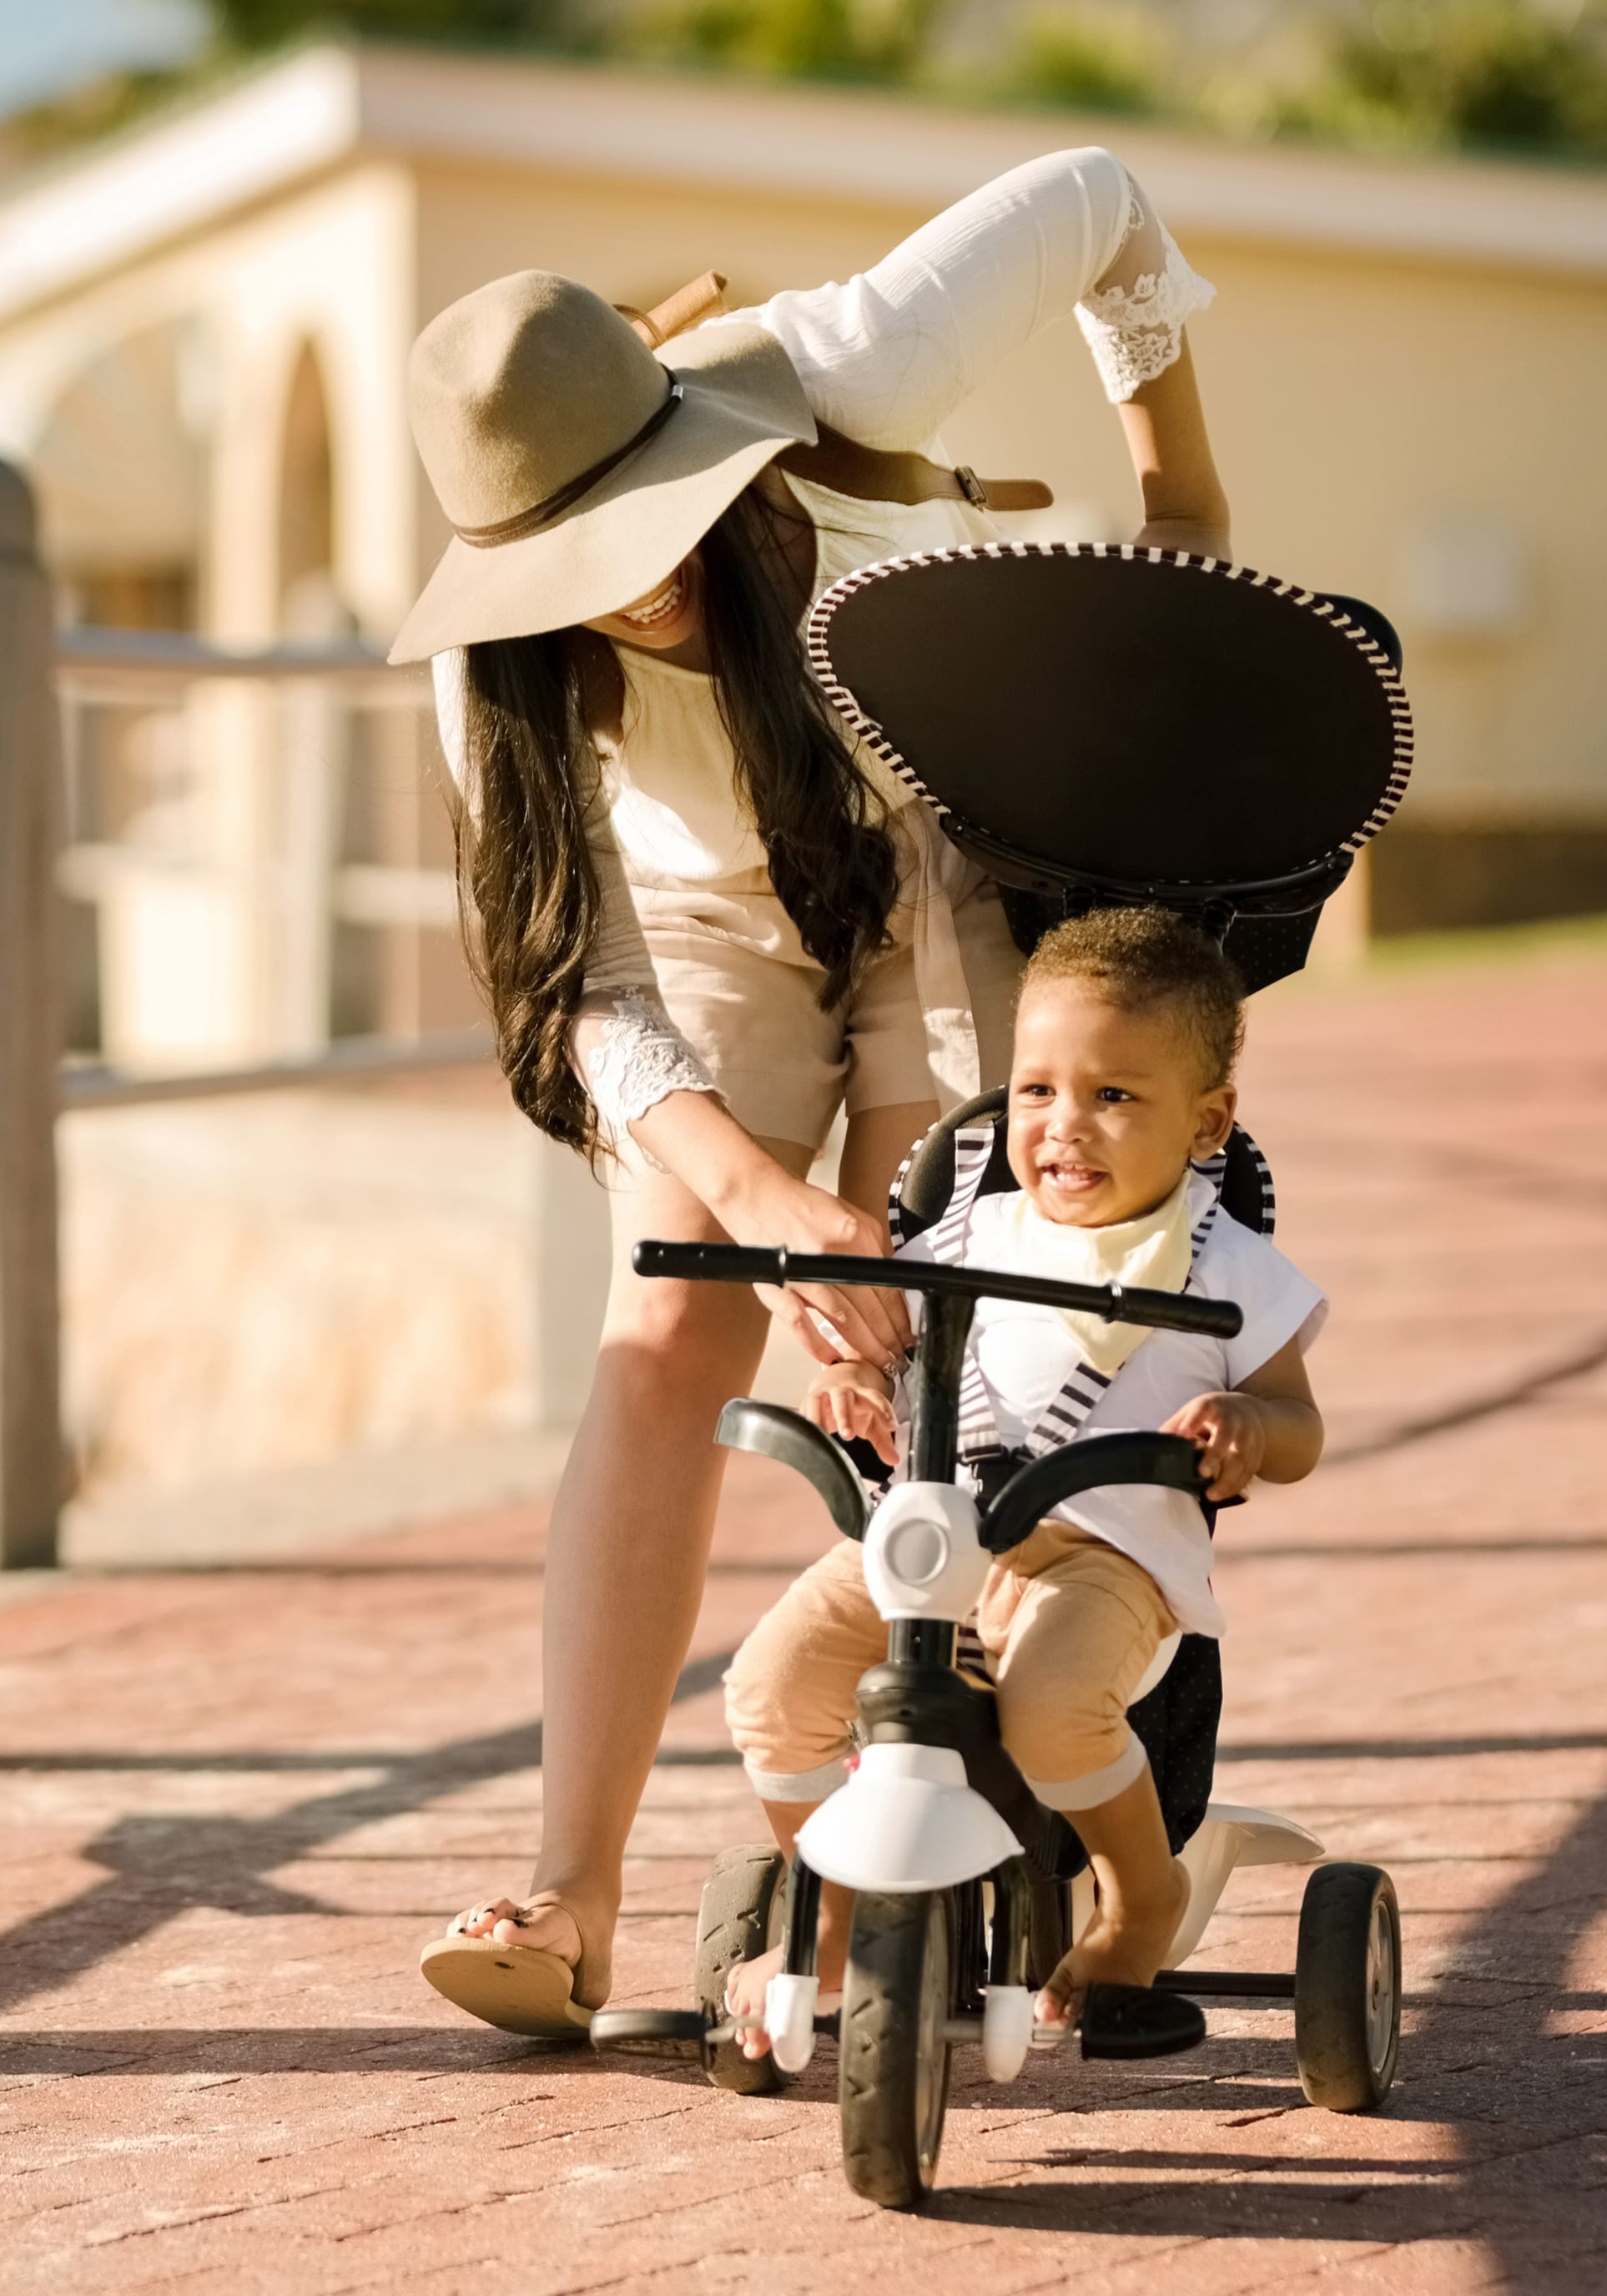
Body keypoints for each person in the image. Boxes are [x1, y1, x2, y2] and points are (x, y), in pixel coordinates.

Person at [403, 145, 1236, 2037]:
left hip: (941, 843)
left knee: (964, 1294)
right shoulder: (484, 679)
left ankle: (1020, 1753)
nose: (628, 598)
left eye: (646, 537)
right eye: (576, 573)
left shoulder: (845, 371)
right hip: (696, 921)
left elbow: (1103, 200)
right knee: (670, 1317)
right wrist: (771, 1217)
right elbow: (590, 990)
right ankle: (570, 1890)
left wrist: (1179, 490)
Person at [718, 908, 1329, 2048]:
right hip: (935, 1535)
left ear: (1207, 1124)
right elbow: (884, 1349)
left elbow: (1301, 1427)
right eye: (1037, 1091)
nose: (1064, 1126)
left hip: (1107, 1559)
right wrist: (854, 1377)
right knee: (772, 1682)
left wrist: (1251, 1421)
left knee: (1054, 1706)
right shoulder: (966, 1236)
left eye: (1113, 1096)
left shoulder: (1231, 1266)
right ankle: (833, 1902)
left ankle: (1139, 1892)